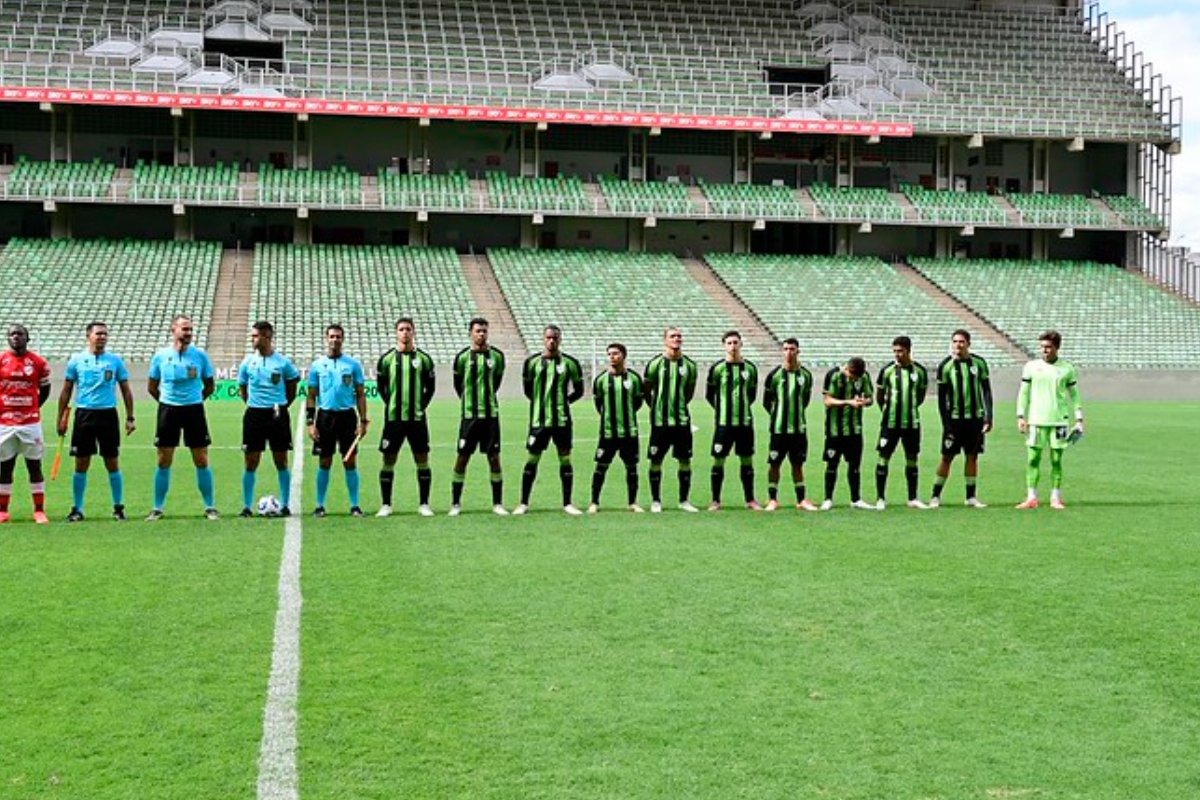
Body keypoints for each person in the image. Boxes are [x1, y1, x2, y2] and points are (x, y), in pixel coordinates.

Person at [56, 321, 136, 522]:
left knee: (112, 462)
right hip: (84, 415)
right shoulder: (76, 360)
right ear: (88, 336)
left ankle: (118, 507)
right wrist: (61, 418)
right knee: (81, 463)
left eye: (105, 334)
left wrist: (130, 417)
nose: (102, 337)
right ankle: (77, 509)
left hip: (108, 415)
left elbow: (126, 390)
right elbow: (66, 391)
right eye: (98, 333)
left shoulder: (115, 361)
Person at [147, 314, 217, 520]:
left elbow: (209, 386)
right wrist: (167, 402)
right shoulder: (160, 356)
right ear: (173, 330)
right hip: (168, 410)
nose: (188, 333)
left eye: (190, 330)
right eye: (184, 329)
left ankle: (210, 506)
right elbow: (152, 386)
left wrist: (195, 399)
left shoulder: (200, 356)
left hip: (194, 410)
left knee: (201, 459)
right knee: (163, 460)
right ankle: (157, 508)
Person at [514, 325, 585, 516]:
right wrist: (542, 402)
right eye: (548, 338)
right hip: (539, 421)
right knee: (532, 459)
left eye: (555, 338)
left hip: (562, 421)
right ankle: (523, 503)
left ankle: (567, 503)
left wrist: (564, 403)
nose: (551, 341)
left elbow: (579, 390)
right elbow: (528, 390)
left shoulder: (570, 363)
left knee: (565, 459)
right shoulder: (531, 362)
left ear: (560, 339)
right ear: (543, 339)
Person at [237, 320, 300, 517]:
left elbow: (292, 387)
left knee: (281, 460)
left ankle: (286, 504)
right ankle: (247, 507)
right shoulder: (247, 362)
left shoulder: (283, 362)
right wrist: (254, 404)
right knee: (251, 461)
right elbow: (243, 388)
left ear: (268, 336)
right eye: (252, 336)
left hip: (277, 414)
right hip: (254, 414)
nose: (253, 339)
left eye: (256, 336)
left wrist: (281, 405)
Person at [1016, 330, 1084, 510]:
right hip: (1036, 420)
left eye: (1048, 347)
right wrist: (1021, 416)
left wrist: (1079, 419)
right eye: (1042, 347)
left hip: (1059, 420)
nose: (1044, 350)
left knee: (1056, 460)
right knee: (1033, 459)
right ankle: (1031, 497)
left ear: (1057, 348)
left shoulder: (1067, 368)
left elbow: (1074, 395)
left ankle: (1055, 497)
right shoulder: (1031, 367)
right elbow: (1024, 393)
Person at [375, 316, 436, 518]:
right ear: (396, 333)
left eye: (408, 329)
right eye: (401, 329)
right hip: (394, 420)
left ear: (413, 332)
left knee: (422, 458)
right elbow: (382, 387)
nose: (405, 333)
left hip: (417, 420)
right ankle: (386, 504)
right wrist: (392, 404)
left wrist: (420, 407)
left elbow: (430, 388)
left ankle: (424, 504)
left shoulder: (424, 359)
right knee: (388, 459)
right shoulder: (386, 359)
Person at [306, 324, 368, 517]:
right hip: (325, 417)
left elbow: (360, 394)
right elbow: (311, 395)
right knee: (324, 461)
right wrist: (310, 423)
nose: (335, 340)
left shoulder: (353, 365)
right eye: (332, 336)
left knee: (350, 461)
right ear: (327, 339)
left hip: (347, 417)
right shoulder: (317, 365)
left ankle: (355, 505)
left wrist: (363, 421)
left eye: (338, 336)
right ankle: (320, 505)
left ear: (343, 339)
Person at [449, 317, 507, 517]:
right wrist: (469, 401)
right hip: (469, 416)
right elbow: (458, 384)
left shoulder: (497, 356)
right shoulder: (462, 357)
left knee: (494, 458)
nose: (481, 334)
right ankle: (455, 503)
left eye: (484, 331)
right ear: (470, 333)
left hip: (491, 416)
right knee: (462, 458)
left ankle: (497, 503)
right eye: (478, 331)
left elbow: (497, 381)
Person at [930, 329, 993, 508]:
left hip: (975, 419)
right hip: (955, 420)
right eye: (955, 341)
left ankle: (970, 497)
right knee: (947, 457)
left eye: (961, 342)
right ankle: (935, 496)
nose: (958, 345)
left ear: (968, 344)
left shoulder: (979, 363)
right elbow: (942, 399)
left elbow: (986, 391)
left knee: (972, 457)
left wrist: (989, 416)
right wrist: (946, 425)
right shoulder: (946, 366)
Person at [643, 327, 699, 513]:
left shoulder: (689, 365)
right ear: (665, 340)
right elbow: (647, 389)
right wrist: (656, 407)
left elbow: (689, 392)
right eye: (673, 336)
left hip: (682, 422)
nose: (676, 339)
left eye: (679, 336)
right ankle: (656, 501)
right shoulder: (655, 364)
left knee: (685, 460)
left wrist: (679, 405)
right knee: (656, 460)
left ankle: (684, 500)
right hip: (660, 422)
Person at [0, 324, 52, 524]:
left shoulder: (38, 362)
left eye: (20, 334)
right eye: (12, 334)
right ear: (8, 338)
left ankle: (39, 510)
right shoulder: (1, 360)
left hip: (30, 423)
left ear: (27, 338)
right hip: (4, 423)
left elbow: (45, 389)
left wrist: (34, 407)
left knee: (34, 466)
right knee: (5, 467)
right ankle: (3, 511)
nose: (16, 337)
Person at [705, 330, 760, 511]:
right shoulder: (717, 368)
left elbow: (751, 394)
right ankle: (715, 500)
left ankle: (750, 500)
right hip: (724, 424)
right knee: (718, 460)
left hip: (745, 423)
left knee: (747, 460)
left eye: (736, 342)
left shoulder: (750, 368)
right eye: (729, 343)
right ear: (724, 346)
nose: (733, 346)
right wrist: (722, 409)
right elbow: (709, 395)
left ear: (741, 344)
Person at [761, 338, 818, 512]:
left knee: (797, 464)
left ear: (798, 351)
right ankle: (772, 499)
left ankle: (801, 500)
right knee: (774, 464)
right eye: (785, 349)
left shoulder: (806, 375)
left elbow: (805, 400)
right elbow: (766, 401)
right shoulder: (774, 375)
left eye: (792, 349)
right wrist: (777, 416)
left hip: (798, 429)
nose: (788, 352)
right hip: (779, 430)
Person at [874, 335, 930, 510]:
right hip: (890, 423)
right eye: (895, 351)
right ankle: (880, 498)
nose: (897, 355)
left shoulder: (920, 371)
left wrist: (909, 407)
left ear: (909, 350)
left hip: (911, 423)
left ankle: (912, 498)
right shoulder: (887, 371)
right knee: (883, 457)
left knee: (912, 458)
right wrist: (887, 411)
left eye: (900, 351)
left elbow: (920, 396)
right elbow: (879, 396)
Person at [588, 342, 644, 514]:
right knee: (601, 467)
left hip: (629, 432)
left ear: (624, 356)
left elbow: (637, 402)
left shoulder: (634, 379)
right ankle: (594, 502)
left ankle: (632, 503)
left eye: (616, 353)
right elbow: (599, 404)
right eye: (609, 354)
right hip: (608, 432)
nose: (612, 357)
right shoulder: (600, 380)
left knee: (632, 468)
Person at [820, 356, 874, 511]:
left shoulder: (864, 377)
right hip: (835, 430)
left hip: (855, 430)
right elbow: (827, 401)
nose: (854, 379)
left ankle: (856, 499)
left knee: (855, 466)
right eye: (852, 376)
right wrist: (848, 402)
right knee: (832, 465)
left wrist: (864, 402)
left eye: (857, 377)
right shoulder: (834, 375)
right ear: (848, 368)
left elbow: (870, 399)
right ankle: (828, 499)